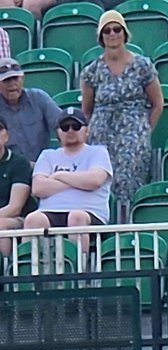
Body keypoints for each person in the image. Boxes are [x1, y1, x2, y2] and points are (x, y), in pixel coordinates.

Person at [81, 11, 162, 211]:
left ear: (125, 33)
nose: (112, 34)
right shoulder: (92, 71)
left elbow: (158, 103)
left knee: (129, 181)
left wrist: (143, 130)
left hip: (133, 133)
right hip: (102, 135)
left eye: (117, 29)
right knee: (102, 182)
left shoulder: (142, 65)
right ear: (101, 37)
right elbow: (87, 109)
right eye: (107, 31)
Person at [25, 107, 112, 249]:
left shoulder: (98, 152)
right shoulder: (47, 155)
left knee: (76, 217)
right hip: (51, 211)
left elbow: (95, 180)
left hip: (90, 212)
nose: (70, 130)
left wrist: (59, 176)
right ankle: (34, 269)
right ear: (58, 132)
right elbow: (38, 188)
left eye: (76, 126)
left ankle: (80, 268)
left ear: (86, 130)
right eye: (65, 127)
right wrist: (79, 180)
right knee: (33, 219)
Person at [0, 57, 64, 161]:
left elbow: (62, 125)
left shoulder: (39, 97)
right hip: (7, 169)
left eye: (15, 78)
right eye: (6, 80)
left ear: (22, 79)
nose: (12, 84)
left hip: (43, 164)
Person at [0, 112, 33, 243]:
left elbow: (15, 207)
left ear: (6, 136)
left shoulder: (19, 163)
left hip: (18, 218)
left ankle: (8, 263)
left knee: (1, 225)